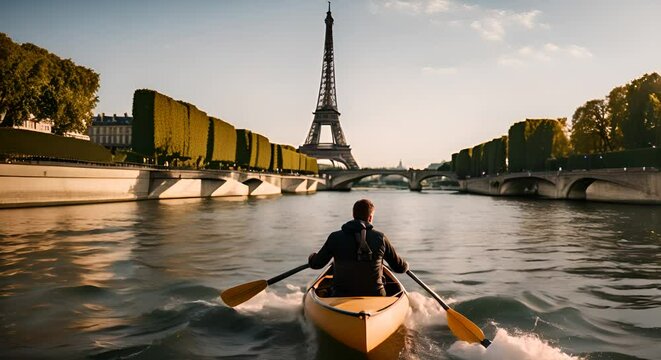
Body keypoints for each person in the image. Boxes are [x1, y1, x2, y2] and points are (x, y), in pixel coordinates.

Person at [308, 199, 409, 297]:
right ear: (370, 218)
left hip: (340, 295)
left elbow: (316, 264)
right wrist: (406, 264)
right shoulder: (381, 238)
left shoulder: (334, 237)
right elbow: (400, 268)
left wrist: (312, 256)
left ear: (353, 215)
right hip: (376, 295)